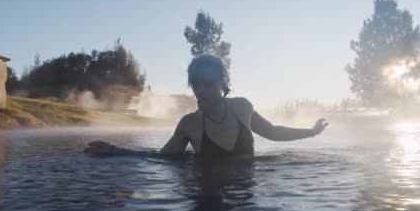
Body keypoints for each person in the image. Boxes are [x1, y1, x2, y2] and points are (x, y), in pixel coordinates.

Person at [86, 54, 327, 157]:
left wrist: (311, 132)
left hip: (243, 208)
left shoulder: (243, 107)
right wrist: (115, 150)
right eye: (195, 84)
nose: (200, 90)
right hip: (207, 193)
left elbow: (273, 132)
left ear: (223, 82)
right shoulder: (189, 124)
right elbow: (161, 158)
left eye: (207, 83)